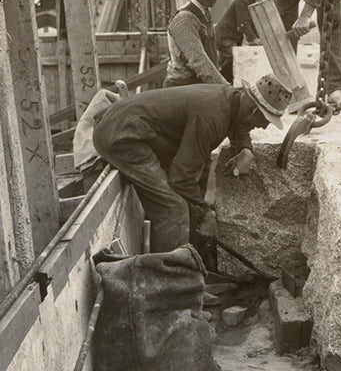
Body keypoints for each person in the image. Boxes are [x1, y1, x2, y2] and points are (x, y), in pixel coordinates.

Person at [92, 74, 293, 256]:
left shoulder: (231, 98)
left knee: (184, 202)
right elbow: (180, 178)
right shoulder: (212, 116)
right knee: (173, 209)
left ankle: (186, 267)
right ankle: (168, 283)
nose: (265, 126)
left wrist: (245, 149)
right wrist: (206, 214)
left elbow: (238, 122)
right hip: (122, 136)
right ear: (254, 110)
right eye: (266, 119)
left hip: (135, 129)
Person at [164, 0, 231, 87]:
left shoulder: (205, 14)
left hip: (199, 86)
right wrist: (225, 88)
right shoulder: (185, 19)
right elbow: (199, 61)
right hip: (182, 88)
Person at [214, 0, 265, 83]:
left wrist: (259, 38)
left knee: (225, 61)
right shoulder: (242, 2)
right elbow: (243, 24)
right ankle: (224, 83)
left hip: (230, 37)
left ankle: (222, 81)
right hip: (225, 36)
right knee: (236, 58)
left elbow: (253, 24)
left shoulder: (252, 3)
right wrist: (254, 39)